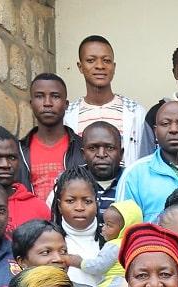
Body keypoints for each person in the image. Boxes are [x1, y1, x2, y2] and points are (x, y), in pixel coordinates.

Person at [65, 36, 150, 168]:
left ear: (114, 67)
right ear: (80, 67)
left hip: (124, 188)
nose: (100, 66)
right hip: (81, 187)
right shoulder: (67, 115)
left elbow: (144, 162)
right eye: (91, 60)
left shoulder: (135, 112)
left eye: (106, 61)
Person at [118, 99, 178, 222]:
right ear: (155, 131)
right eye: (165, 124)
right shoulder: (135, 174)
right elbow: (123, 229)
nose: (174, 129)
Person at [20, 74, 85, 203]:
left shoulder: (83, 147)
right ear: (31, 104)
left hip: (70, 222)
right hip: (30, 222)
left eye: (55, 96)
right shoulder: (18, 150)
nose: (47, 103)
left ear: (66, 104)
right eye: (39, 96)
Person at [50, 166, 103, 285]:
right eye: (70, 201)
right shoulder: (49, 242)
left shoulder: (110, 242)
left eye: (87, 201)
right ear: (59, 206)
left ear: (96, 203)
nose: (79, 207)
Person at [82, 199, 143, 287]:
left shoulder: (114, 246)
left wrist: (80, 263)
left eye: (109, 225)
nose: (103, 228)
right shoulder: (137, 245)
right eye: (104, 223)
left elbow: (98, 266)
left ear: (125, 228)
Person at [78, 121, 127, 216]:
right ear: (83, 154)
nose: (101, 154)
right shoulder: (68, 181)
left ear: (121, 154)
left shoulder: (133, 181)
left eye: (110, 148)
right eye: (92, 148)